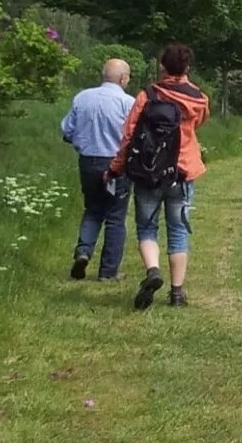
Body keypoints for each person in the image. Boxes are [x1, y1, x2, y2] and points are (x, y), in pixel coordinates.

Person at [107, 43, 211, 311]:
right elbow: (199, 123)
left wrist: (116, 168)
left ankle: (153, 270)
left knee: (146, 227)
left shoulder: (147, 95)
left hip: (148, 171)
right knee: (178, 231)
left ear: (162, 66)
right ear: (187, 67)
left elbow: (129, 136)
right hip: (183, 171)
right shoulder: (198, 98)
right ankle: (177, 293)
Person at [60, 57, 135, 281]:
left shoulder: (82, 97)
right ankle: (108, 271)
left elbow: (66, 130)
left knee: (92, 210)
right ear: (123, 78)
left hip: (88, 161)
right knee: (115, 215)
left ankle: (83, 252)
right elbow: (133, 136)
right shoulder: (127, 102)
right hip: (115, 163)